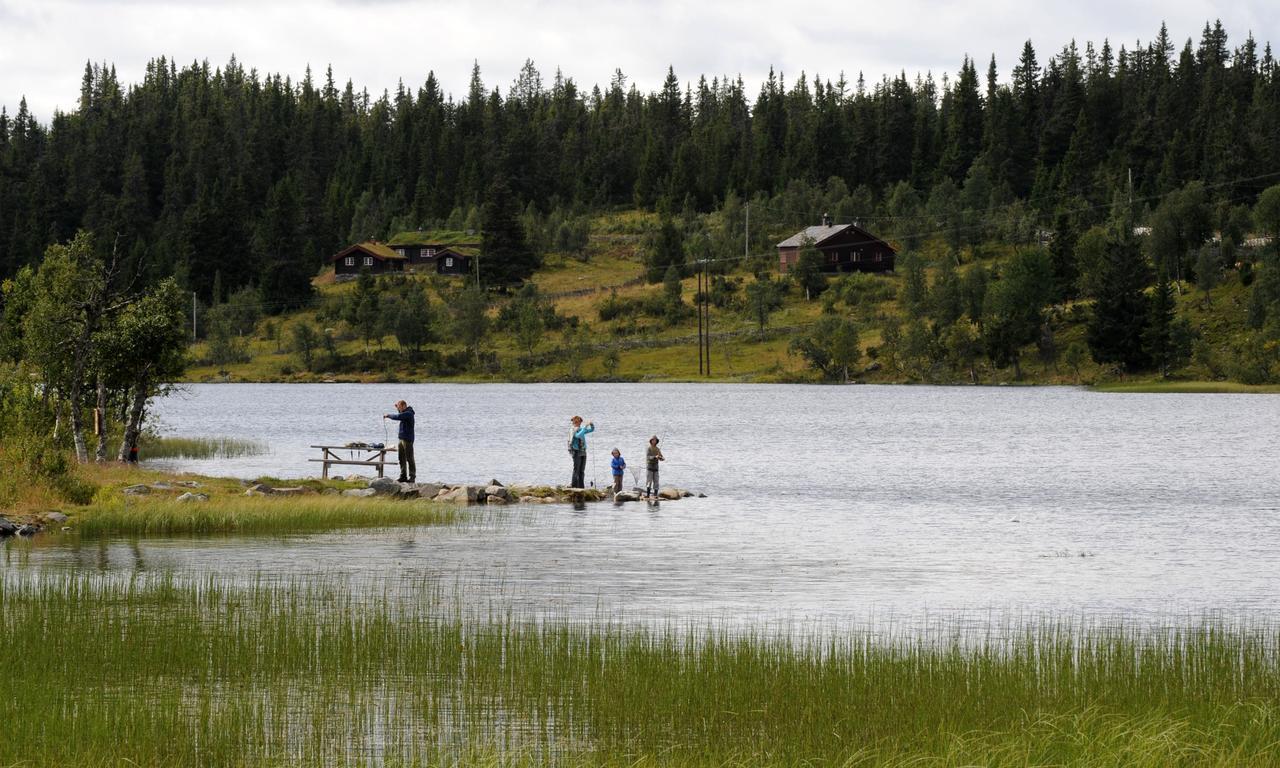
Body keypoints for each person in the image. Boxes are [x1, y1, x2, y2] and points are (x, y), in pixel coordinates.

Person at [383, 400, 415, 483]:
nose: (399, 409)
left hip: (407, 439)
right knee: (401, 458)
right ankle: (403, 476)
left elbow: (398, 417)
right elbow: (400, 414)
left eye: (400, 407)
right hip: (401, 438)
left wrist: (388, 415)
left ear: (404, 406)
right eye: (398, 408)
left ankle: (412, 477)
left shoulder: (409, 413)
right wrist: (398, 408)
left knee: (409, 458)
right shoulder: (404, 412)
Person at [568, 415, 594, 488]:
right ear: (573, 422)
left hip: (583, 451)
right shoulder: (572, 430)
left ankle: (581, 486)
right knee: (576, 470)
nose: (578, 423)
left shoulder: (581, 429)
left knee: (582, 471)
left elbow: (592, 430)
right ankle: (574, 486)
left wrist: (591, 424)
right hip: (576, 452)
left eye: (579, 422)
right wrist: (585, 427)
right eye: (576, 422)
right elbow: (578, 436)